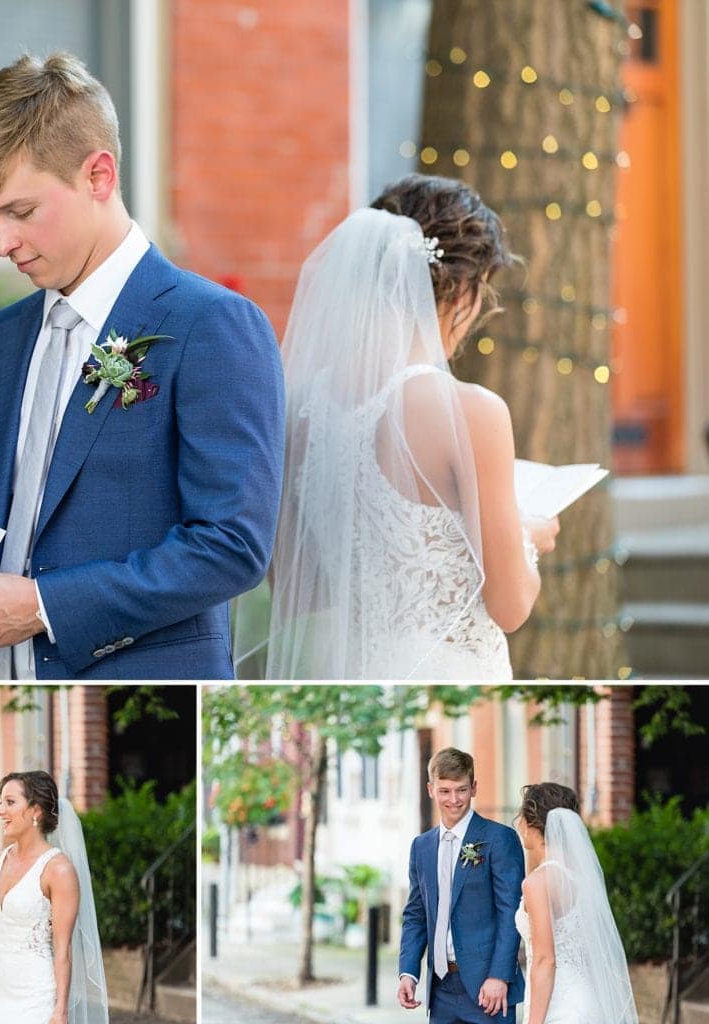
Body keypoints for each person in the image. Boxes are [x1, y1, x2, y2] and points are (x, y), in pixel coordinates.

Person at [0, 52, 285, 680]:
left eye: (20, 213)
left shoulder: (211, 325)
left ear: (99, 176)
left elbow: (232, 546)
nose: (2, 244)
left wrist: (44, 607)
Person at [255, 174, 559, 679]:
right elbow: (510, 605)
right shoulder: (472, 412)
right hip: (448, 670)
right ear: (462, 290)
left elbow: (295, 585)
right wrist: (527, 534)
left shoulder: (302, 408)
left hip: (348, 671)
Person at [0, 770, 107, 1024]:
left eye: (10, 802)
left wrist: (61, 1009)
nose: (1, 810)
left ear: (36, 811)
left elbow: (63, 948)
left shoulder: (58, 870)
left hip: (33, 996)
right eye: (1, 802)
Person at [398, 747, 525, 1023]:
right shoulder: (421, 847)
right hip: (440, 991)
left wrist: (499, 975)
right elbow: (416, 915)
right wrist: (408, 972)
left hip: (488, 990)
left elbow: (511, 914)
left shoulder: (499, 839)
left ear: (474, 788)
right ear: (431, 790)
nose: (454, 800)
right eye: (445, 791)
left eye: (461, 790)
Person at [515, 783, 638, 1024]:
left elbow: (544, 960)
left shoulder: (537, 883)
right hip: (587, 1000)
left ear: (532, 824)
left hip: (559, 1006)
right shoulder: (580, 877)